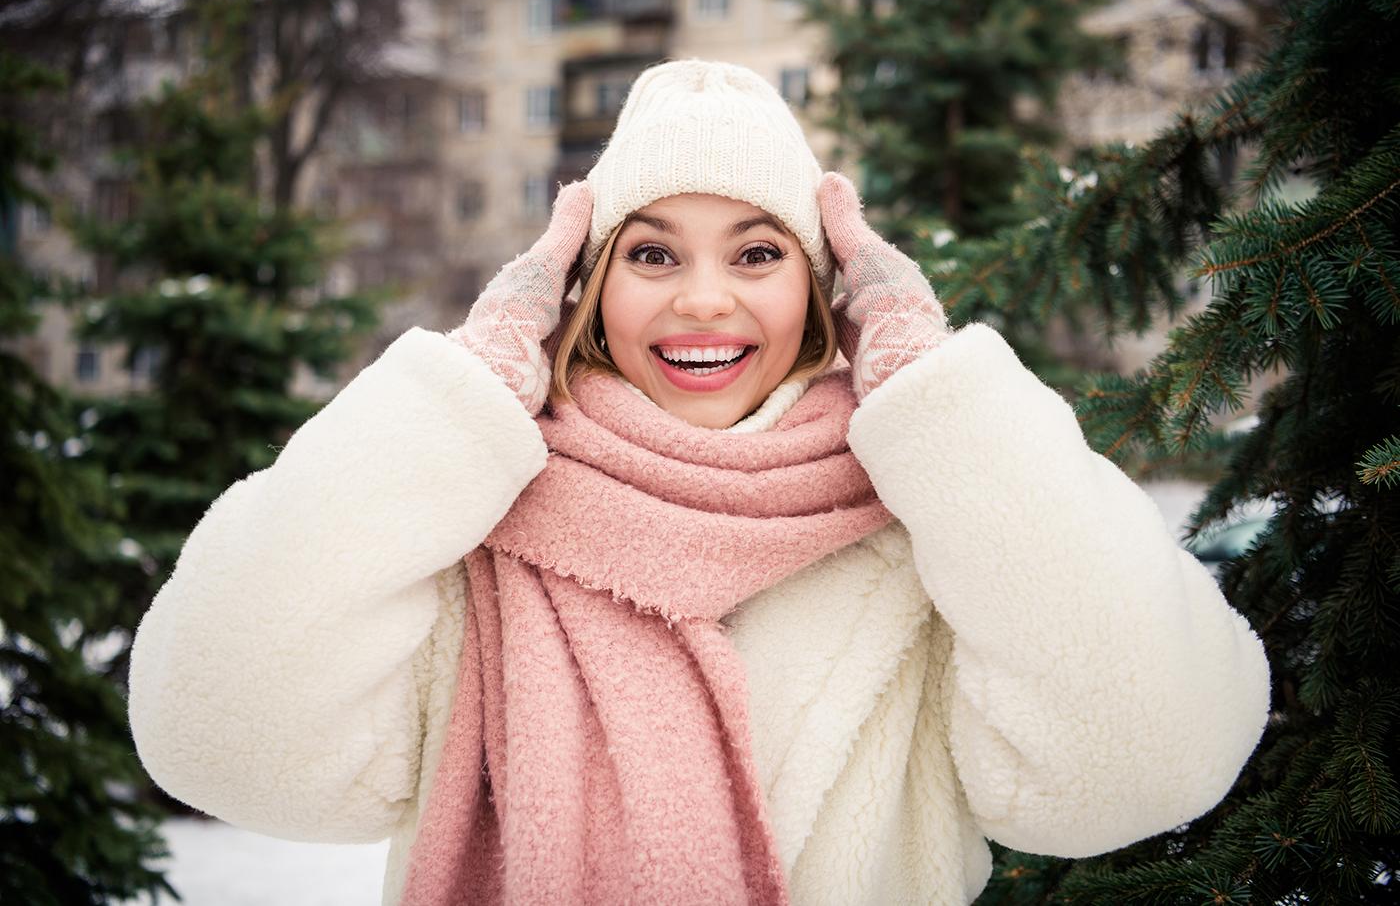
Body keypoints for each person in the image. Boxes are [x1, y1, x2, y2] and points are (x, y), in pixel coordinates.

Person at [126, 59, 1272, 906]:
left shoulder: (931, 532)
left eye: (758, 253)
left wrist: (941, 400)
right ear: (587, 291)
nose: (703, 301)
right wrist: (462, 394)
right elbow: (215, 736)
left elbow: (1147, 761)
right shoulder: (462, 516)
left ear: (822, 290)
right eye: (653, 253)